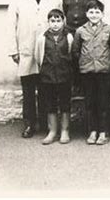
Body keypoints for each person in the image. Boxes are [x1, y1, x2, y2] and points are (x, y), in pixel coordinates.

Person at [7, 0, 60, 138]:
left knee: (46, 89)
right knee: (28, 90)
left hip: (48, 50)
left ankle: (45, 123)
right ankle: (29, 123)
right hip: (26, 49)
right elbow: (10, 27)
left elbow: (60, 23)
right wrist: (13, 50)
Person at [72, 0, 110, 145]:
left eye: (97, 12)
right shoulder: (80, 31)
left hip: (104, 71)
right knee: (90, 103)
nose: (94, 15)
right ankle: (92, 131)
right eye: (91, 12)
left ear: (102, 14)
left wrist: (108, 65)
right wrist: (84, 64)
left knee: (103, 103)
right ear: (86, 14)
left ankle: (104, 132)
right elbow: (75, 51)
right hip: (87, 72)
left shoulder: (109, 30)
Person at [34, 9, 73, 145]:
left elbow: (70, 54)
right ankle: (52, 131)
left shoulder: (68, 37)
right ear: (48, 22)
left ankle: (65, 130)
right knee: (50, 104)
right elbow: (39, 57)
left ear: (63, 22)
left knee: (64, 103)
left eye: (58, 21)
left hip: (64, 76)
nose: (55, 24)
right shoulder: (42, 38)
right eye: (52, 21)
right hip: (48, 76)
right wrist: (46, 71)